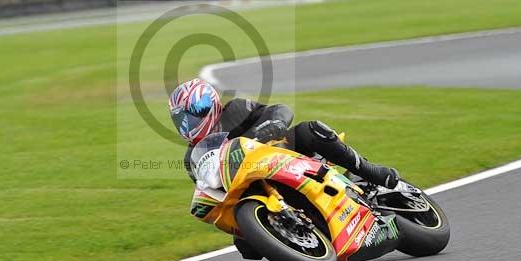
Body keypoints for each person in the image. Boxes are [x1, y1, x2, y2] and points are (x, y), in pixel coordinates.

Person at [168, 78, 400, 190]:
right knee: (246, 246)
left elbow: (279, 109)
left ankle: (366, 170)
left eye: (193, 113)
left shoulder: (236, 109)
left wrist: (275, 123)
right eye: (182, 119)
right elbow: (209, 190)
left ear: (209, 103)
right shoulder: (192, 158)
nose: (189, 122)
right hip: (250, 184)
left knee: (309, 130)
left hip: (283, 155)